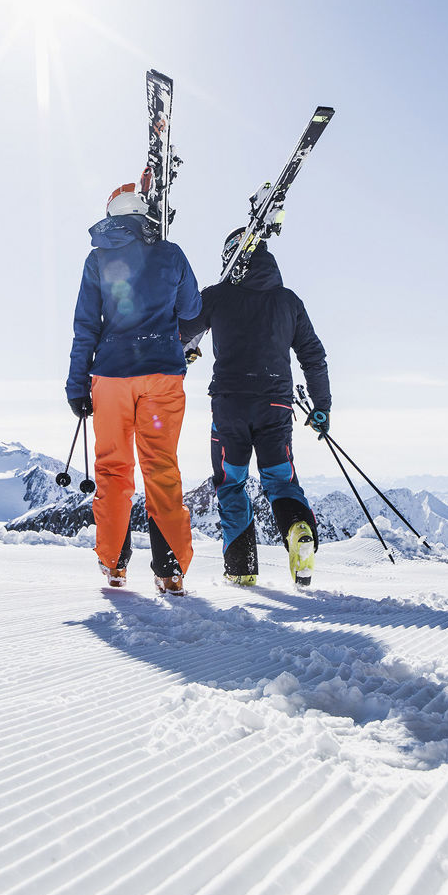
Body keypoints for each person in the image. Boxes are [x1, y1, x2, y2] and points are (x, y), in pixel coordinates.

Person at [66, 182, 202, 595]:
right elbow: (192, 309)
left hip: (111, 377)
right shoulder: (171, 254)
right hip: (162, 373)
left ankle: (114, 564)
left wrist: (77, 384)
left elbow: (86, 326)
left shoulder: (97, 260)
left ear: (111, 214)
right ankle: (170, 570)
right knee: (161, 468)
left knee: (112, 469)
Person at [179, 228, 330, 587]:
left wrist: (188, 346)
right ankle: (298, 530)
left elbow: (182, 333)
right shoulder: (288, 301)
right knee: (281, 481)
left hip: (230, 406)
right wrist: (321, 405)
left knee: (231, 483)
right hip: (276, 405)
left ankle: (241, 568)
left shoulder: (216, 297)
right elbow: (313, 355)